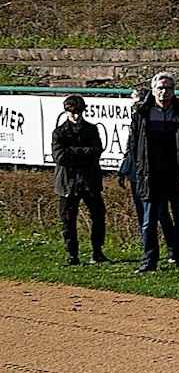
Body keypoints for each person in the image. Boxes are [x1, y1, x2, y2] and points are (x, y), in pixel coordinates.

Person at [128, 72, 179, 273]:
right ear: (153, 90)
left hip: (175, 174)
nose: (164, 92)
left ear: (174, 91)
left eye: (168, 88)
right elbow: (134, 144)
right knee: (149, 221)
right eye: (160, 88)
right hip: (151, 175)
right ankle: (149, 260)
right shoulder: (142, 113)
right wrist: (139, 168)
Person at [51, 94, 107, 266]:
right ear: (67, 112)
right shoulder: (59, 132)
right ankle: (72, 255)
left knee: (98, 216)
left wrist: (74, 153)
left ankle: (97, 252)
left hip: (89, 181)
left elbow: (97, 150)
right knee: (68, 220)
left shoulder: (91, 129)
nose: (76, 116)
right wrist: (83, 153)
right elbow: (60, 156)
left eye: (79, 112)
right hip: (68, 183)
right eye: (72, 112)